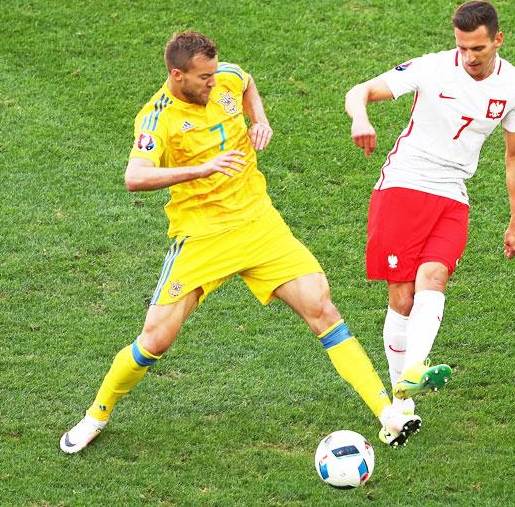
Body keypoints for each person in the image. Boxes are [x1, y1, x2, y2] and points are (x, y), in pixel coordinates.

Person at [60, 31, 422, 453]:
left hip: (259, 226)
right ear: (177, 75)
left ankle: (387, 414)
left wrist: (260, 120)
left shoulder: (226, 78)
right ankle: (96, 415)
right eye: (203, 78)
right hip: (202, 238)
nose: (214, 82)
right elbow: (135, 177)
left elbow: (246, 82)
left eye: (214, 74)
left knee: (322, 309)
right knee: (155, 339)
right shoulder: (157, 118)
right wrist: (202, 168)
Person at [345, 0, 515, 417]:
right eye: (462, 47)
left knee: (435, 275)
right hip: (404, 184)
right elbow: (360, 91)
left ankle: (413, 369)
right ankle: (402, 400)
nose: (468, 58)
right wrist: (361, 118)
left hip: (453, 191)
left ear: (498, 40)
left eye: (478, 49)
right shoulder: (432, 67)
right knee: (403, 295)